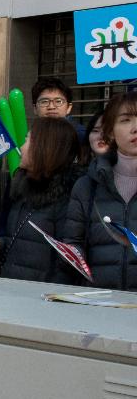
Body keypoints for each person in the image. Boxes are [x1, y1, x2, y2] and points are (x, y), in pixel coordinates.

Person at [0, 117, 83, 282]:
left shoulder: (68, 197)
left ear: (45, 148)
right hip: (13, 291)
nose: (21, 147)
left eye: (27, 140)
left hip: (42, 298)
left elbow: (67, 261)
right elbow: (23, 241)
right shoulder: (23, 188)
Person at [62, 89, 137, 291]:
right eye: (126, 120)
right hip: (99, 302)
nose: (135, 128)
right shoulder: (87, 186)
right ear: (110, 131)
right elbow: (72, 241)